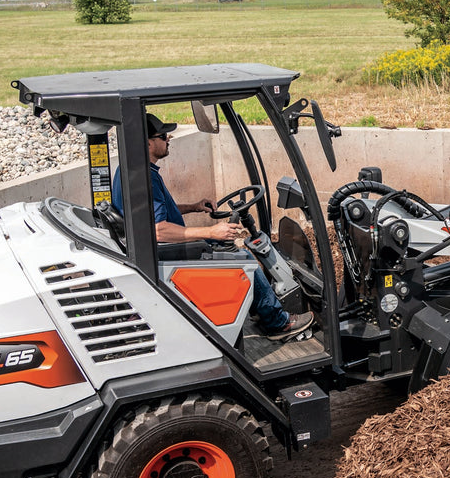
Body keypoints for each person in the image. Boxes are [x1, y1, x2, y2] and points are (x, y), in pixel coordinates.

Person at [111, 113, 313, 341]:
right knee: (243, 260)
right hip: (168, 254)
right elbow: (159, 230)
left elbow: (150, 214)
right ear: (147, 143)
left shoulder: (131, 172)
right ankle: (278, 323)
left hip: (159, 251)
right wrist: (211, 231)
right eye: (164, 136)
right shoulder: (145, 178)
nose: (169, 139)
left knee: (228, 247)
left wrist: (194, 207)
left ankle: (259, 307)